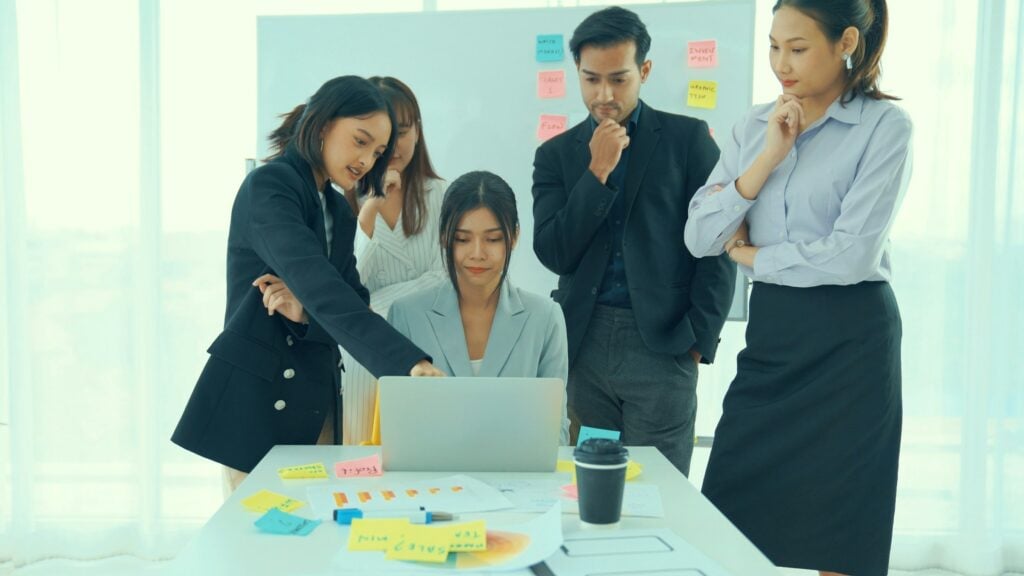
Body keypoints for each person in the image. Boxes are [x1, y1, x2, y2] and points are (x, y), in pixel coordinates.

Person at [684, 1, 910, 574]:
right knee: (728, 525)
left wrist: (754, 255)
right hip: (775, 340)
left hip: (853, 343)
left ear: (846, 42)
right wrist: (767, 159)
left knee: (842, 537)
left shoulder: (885, 128)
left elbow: (851, 253)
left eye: (799, 48)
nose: (780, 63)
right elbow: (699, 235)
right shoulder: (752, 126)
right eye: (773, 45)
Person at [171, 76, 443, 491]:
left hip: (317, 400)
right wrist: (407, 363)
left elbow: (351, 299)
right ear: (321, 126)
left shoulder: (338, 206)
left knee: (316, 543)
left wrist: (304, 312)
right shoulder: (269, 187)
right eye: (360, 140)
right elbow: (321, 287)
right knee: (261, 547)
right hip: (259, 404)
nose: (367, 160)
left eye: (376, 151)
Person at [531, 6, 735, 474]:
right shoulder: (556, 155)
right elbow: (554, 250)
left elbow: (718, 244)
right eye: (591, 79)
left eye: (619, 79)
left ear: (644, 70)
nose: (603, 94)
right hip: (583, 344)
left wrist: (698, 337)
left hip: (663, 345)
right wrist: (596, 172)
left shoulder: (689, 141)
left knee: (659, 490)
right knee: (591, 484)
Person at [388, 171, 570, 444]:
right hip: (430, 478)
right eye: (462, 239)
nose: (477, 253)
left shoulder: (545, 318)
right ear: (443, 237)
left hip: (517, 477)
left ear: (514, 237)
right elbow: (396, 426)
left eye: (493, 239)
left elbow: (556, 432)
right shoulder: (407, 314)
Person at [339, 76, 448, 445]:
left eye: (405, 130)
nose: (396, 145)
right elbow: (343, 286)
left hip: (430, 353)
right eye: (385, 136)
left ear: (418, 131)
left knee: (424, 459)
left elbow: (446, 282)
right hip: (360, 359)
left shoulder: (443, 196)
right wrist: (370, 208)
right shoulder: (342, 201)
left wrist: (369, 310)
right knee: (361, 463)